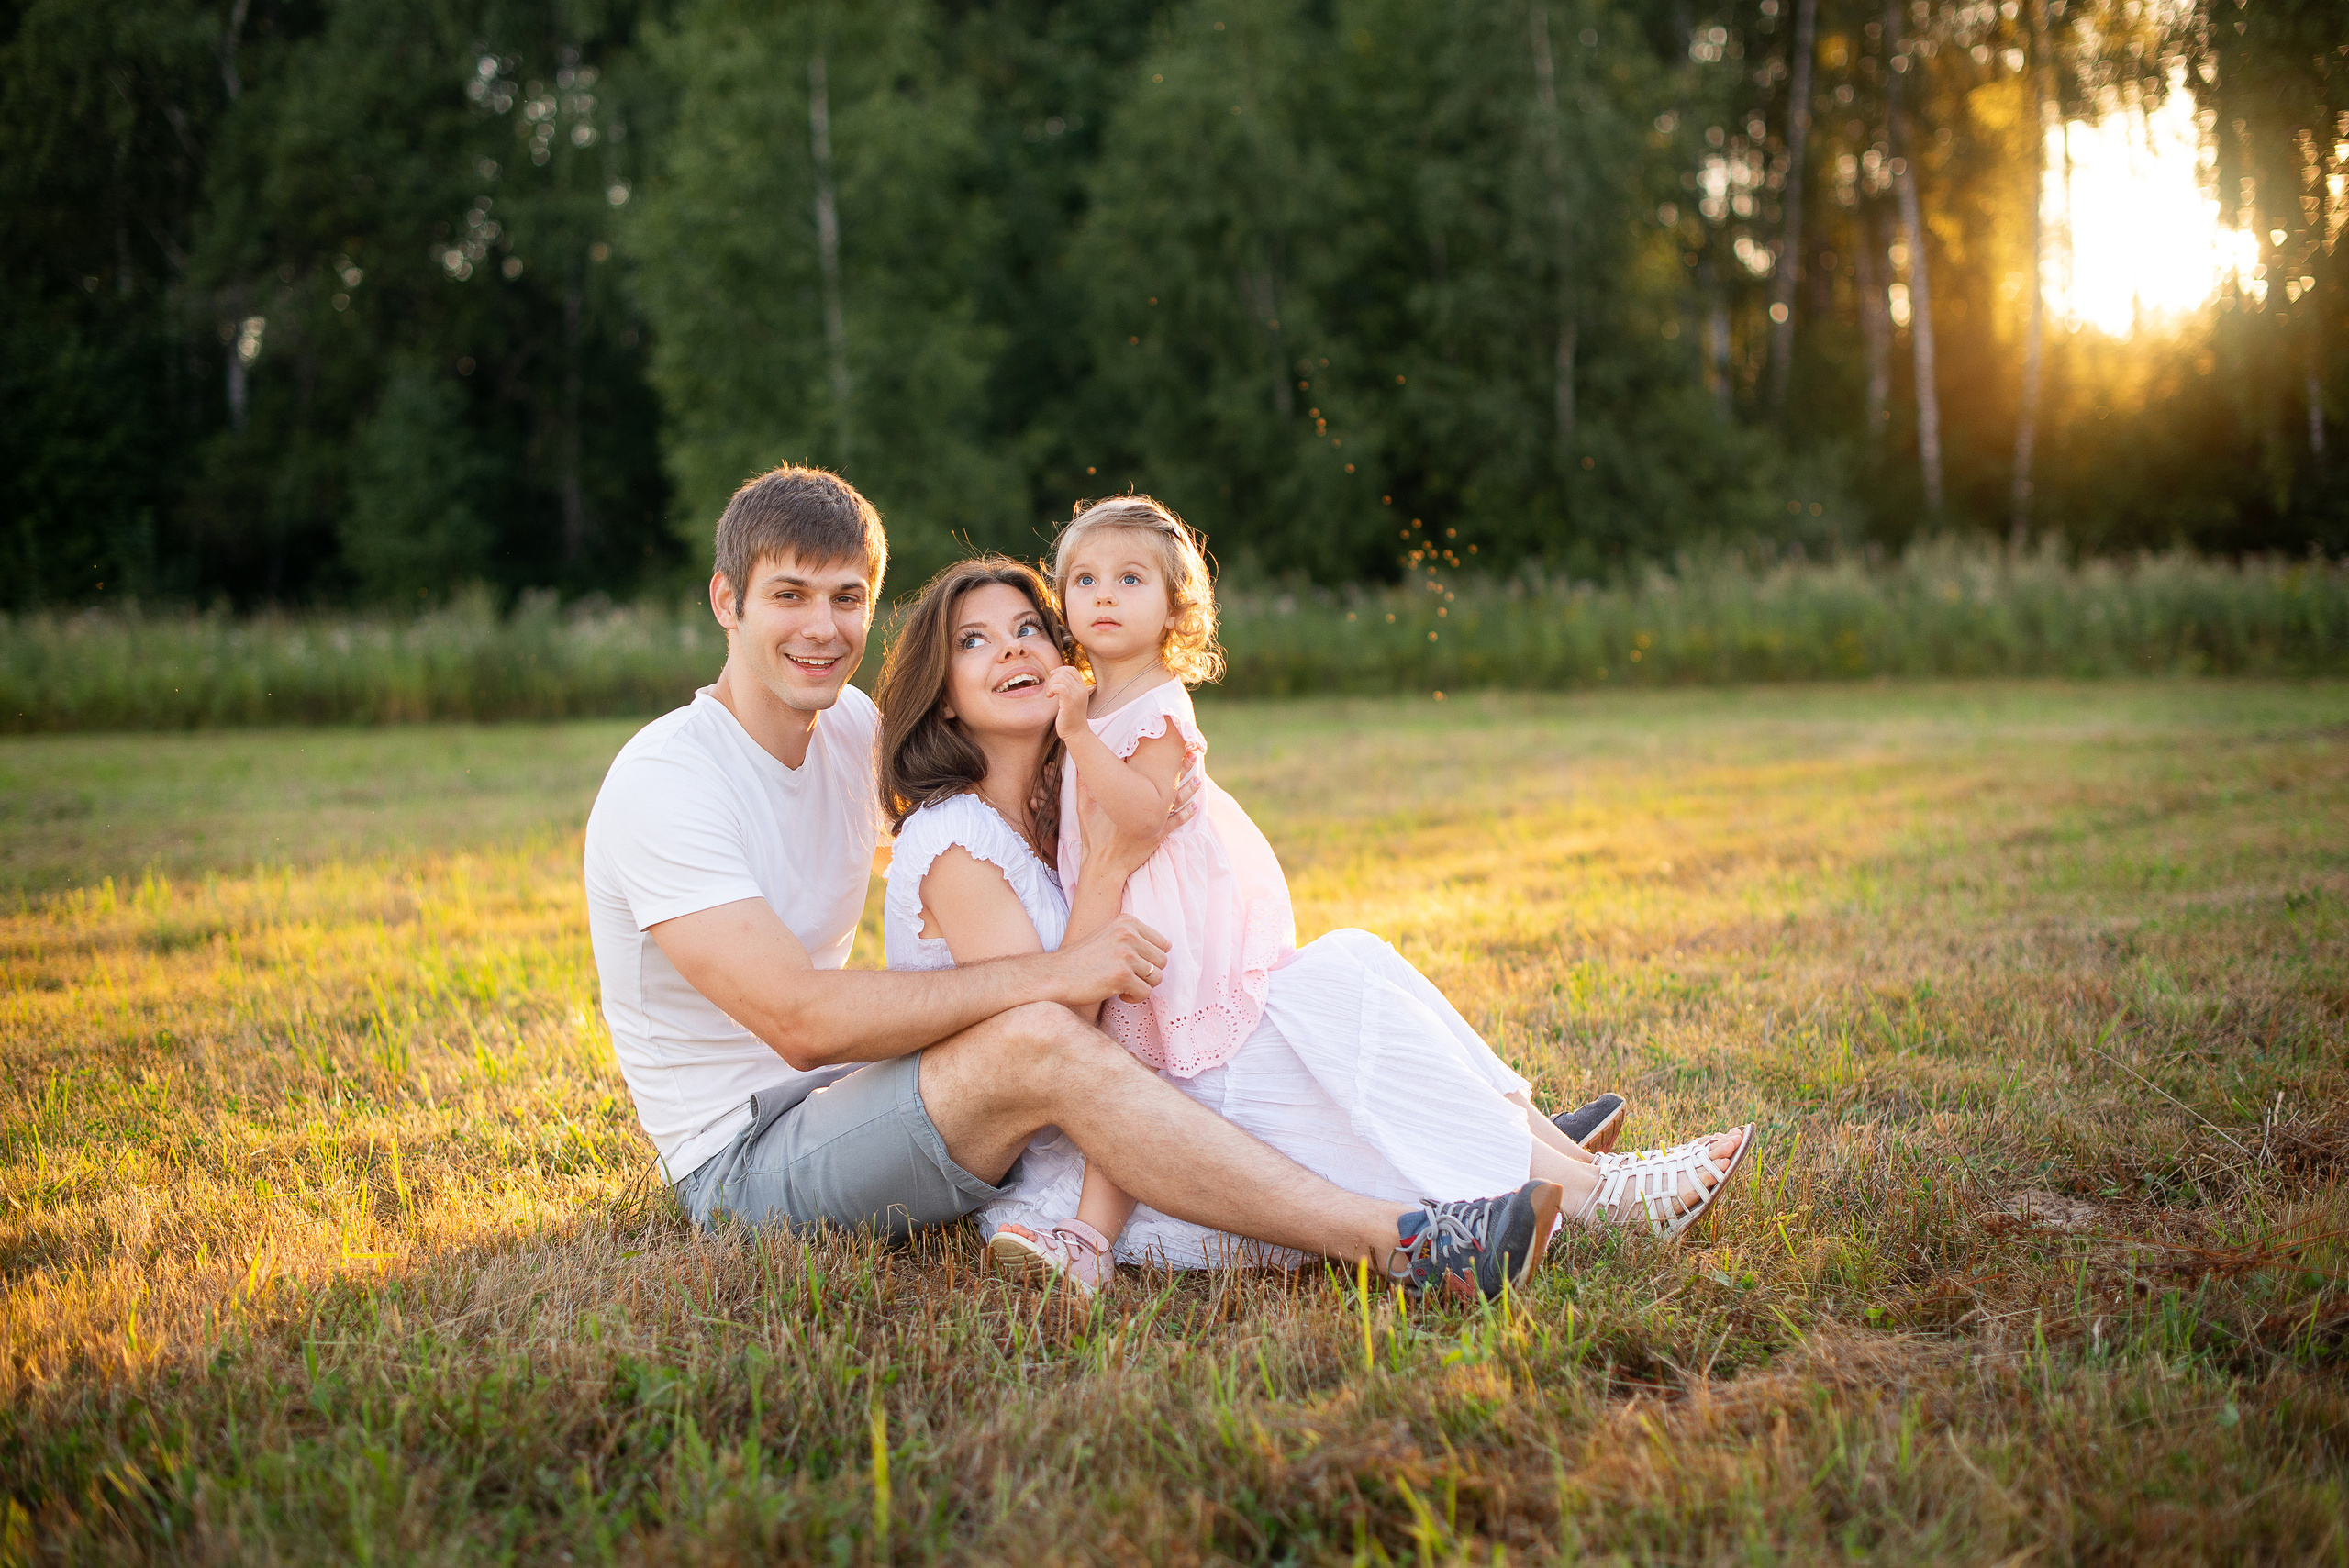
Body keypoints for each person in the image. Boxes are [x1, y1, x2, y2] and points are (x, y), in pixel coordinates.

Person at [584, 465, 1564, 1302]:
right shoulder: (667, 778)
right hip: (741, 1160)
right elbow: (798, 1017)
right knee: (1044, 1033)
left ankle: (1471, 1132)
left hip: (847, 1098)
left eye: (846, 596)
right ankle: (1403, 1240)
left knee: (1286, 977)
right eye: (789, 594)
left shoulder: (846, 729)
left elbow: (986, 742)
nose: (823, 626)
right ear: (726, 601)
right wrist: (1064, 969)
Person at [877, 542, 1756, 1296]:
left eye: (1028, 627)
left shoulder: (1051, 803)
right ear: (944, 694)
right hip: (1080, 1138)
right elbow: (1052, 1047)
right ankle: (1588, 1191)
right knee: (1319, 999)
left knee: (1348, 962)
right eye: (975, 641)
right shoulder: (956, 837)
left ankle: (1527, 1145)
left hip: (1120, 1079)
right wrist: (1114, 859)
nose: (1013, 649)